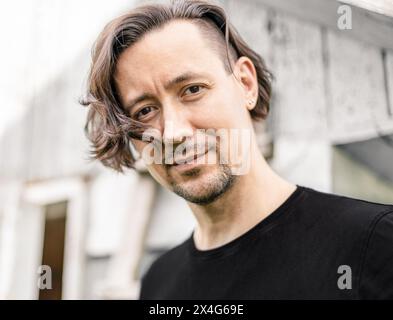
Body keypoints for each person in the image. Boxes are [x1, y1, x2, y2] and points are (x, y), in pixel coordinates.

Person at [81, 0, 393, 299]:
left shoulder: (374, 244)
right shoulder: (159, 282)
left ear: (245, 84)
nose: (174, 133)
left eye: (192, 90)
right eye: (145, 111)